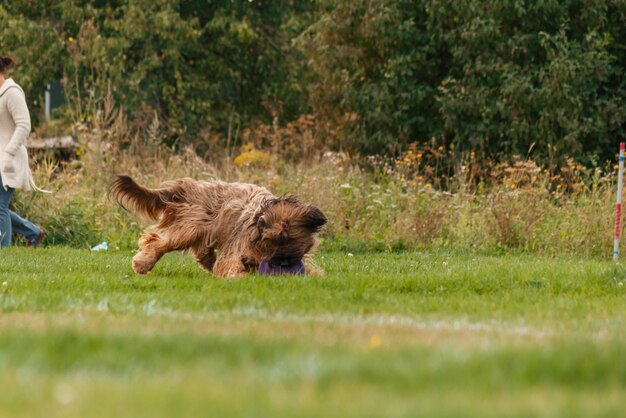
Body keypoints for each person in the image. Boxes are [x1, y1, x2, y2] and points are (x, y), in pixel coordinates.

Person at [0, 54, 44, 248]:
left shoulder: (12, 92)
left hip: (9, 159)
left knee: (0, 207)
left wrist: (8, 153)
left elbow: (24, 125)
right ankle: (33, 232)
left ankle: (4, 251)